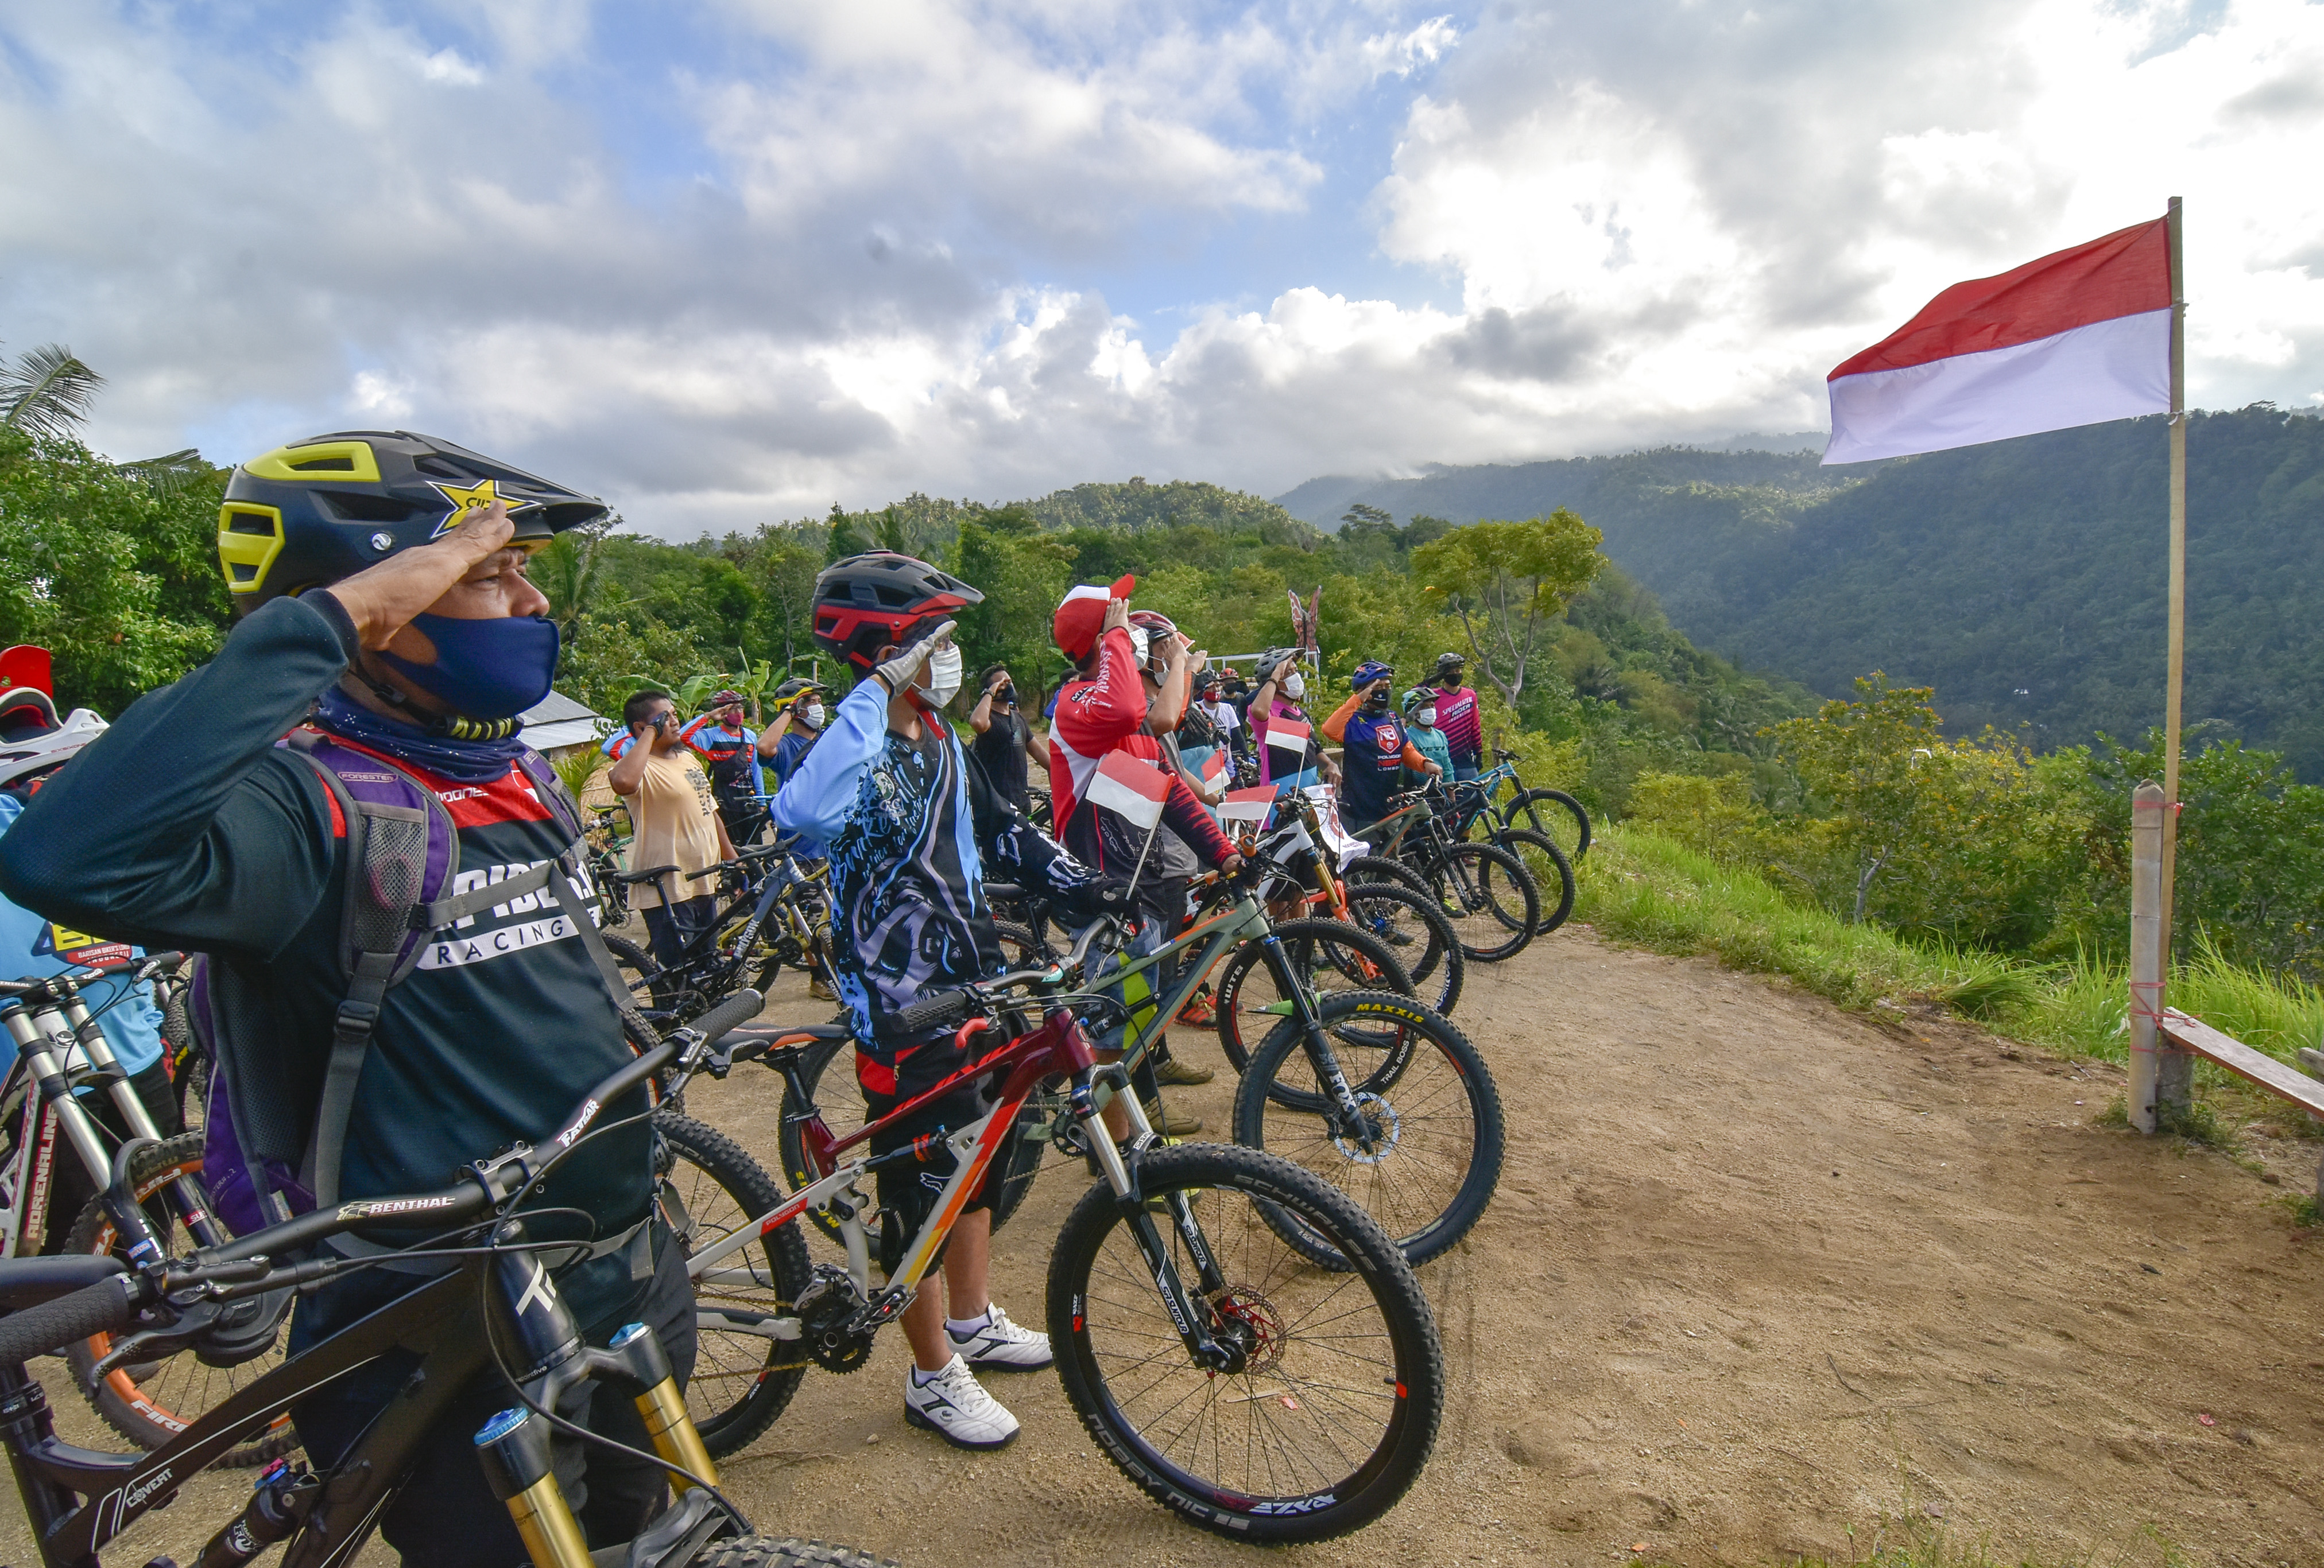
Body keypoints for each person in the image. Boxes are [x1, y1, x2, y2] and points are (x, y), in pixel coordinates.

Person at [0, 431, 688, 1566]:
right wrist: (344, 612)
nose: (530, 602)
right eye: (486, 574)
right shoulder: (301, 805)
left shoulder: (511, 770)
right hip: (444, 1334)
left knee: (656, 1537)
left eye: (522, 571)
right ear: (379, 603)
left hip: (624, 1268)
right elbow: (65, 856)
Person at [771, 552, 1106, 1453]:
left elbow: (997, 826)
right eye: (938, 640)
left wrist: (1083, 883)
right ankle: (930, 1374)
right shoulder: (859, 745)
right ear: (891, 649)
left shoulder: (941, 736)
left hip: (973, 982)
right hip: (899, 1004)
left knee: (980, 1157)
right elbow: (802, 820)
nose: (951, 655)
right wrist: (874, 694)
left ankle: (971, 1319)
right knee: (917, 1189)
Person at [1048, 583, 1244, 1132]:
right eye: (1123, 621)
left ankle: (1130, 1124)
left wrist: (1224, 854)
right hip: (1101, 893)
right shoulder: (1076, 705)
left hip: (1138, 890)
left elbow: (1171, 791)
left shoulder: (1126, 727)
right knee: (1113, 1029)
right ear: (1103, 638)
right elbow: (1126, 703)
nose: (1132, 633)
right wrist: (1115, 635)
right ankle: (1112, 1152)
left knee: (1136, 1015)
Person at [0, 682, 180, 1250]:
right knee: (74, 1236)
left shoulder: (104, 827)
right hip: (39, 1061)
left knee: (153, 1210)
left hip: (127, 1048)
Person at [607, 687, 736, 972]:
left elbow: (709, 809)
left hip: (703, 879)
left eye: (675, 714)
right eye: (665, 718)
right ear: (642, 727)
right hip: (668, 888)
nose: (675, 721)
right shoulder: (641, 768)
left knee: (709, 965)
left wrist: (733, 859)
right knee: (680, 973)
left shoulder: (687, 759)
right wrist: (650, 733)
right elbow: (623, 782)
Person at [1321, 661, 1440, 839]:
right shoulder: (1353, 721)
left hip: (1390, 807)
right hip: (1360, 812)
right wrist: (1358, 699)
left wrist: (1425, 763)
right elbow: (1329, 730)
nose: (1385, 690)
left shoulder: (1392, 718)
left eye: (1387, 686)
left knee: (1393, 855)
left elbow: (1406, 750)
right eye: (1378, 686)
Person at [680, 688, 774, 847]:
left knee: (754, 848)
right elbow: (683, 736)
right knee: (731, 848)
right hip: (725, 803)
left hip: (749, 801)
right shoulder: (710, 736)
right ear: (722, 712)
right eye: (733, 709)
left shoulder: (750, 736)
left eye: (740, 708)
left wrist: (761, 800)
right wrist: (709, 716)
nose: (739, 713)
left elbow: (755, 769)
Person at [1248, 649, 1335, 790]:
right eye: (1289, 673)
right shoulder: (1270, 712)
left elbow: (1315, 749)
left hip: (1309, 792)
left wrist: (1331, 765)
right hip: (1279, 793)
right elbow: (1258, 711)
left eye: (1296, 671)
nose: (1296, 676)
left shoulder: (1302, 714)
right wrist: (1277, 674)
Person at [968, 664, 1045, 816]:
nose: (1009, 686)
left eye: (1010, 681)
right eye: (1003, 683)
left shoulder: (1018, 718)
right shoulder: (989, 719)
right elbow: (977, 722)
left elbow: (1041, 755)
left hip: (1022, 800)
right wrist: (990, 692)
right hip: (998, 804)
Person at [762, 678, 827, 790]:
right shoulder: (787, 745)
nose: (819, 707)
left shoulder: (825, 739)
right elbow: (764, 747)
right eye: (812, 702)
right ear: (797, 708)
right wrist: (789, 711)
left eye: (819, 702)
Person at [1431, 651, 1485, 781]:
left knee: (1473, 793)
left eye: (1458, 670)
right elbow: (1412, 695)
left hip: (1465, 760)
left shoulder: (1470, 695)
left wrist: (1479, 752)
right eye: (1451, 672)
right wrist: (1432, 680)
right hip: (1441, 761)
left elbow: (1475, 726)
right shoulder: (1433, 696)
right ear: (1443, 674)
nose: (1455, 674)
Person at [1402, 685, 1454, 791]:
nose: (1431, 710)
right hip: (1415, 793)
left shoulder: (1441, 735)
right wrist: (1406, 719)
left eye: (1432, 706)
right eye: (1425, 707)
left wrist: (1452, 799)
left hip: (1440, 794)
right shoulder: (1406, 736)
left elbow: (1448, 772)